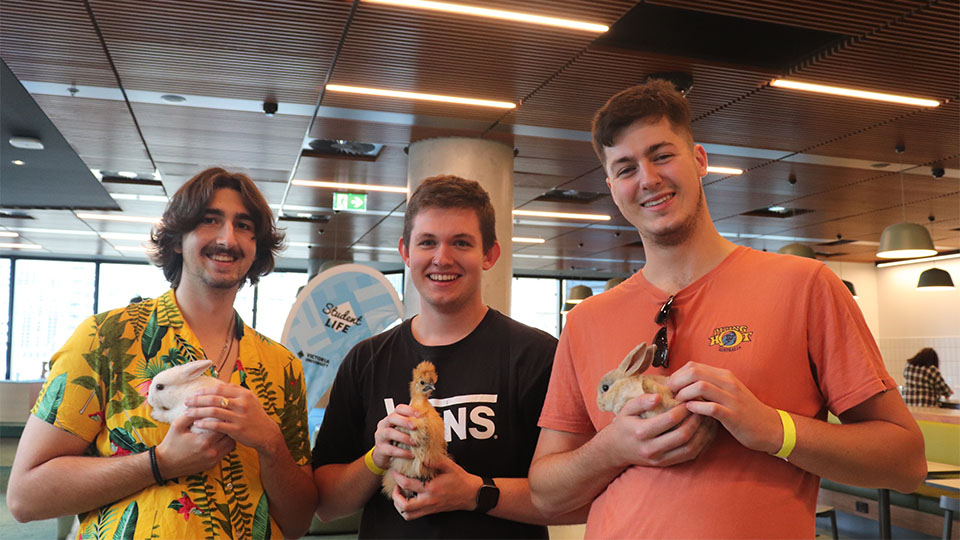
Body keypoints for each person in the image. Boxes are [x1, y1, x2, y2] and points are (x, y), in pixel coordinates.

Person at [528, 80, 927, 538]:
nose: (648, 179)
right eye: (625, 168)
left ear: (699, 159)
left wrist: (774, 429)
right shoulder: (585, 321)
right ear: (613, 188)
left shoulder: (804, 287)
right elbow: (545, 492)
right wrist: (614, 449)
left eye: (661, 155)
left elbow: (906, 462)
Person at [7, 168, 317, 539]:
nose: (227, 238)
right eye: (209, 220)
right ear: (176, 239)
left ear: (257, 247)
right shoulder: (107, 339)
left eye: (245, 225)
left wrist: (270, 442)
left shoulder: (281, 366)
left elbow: (298, 524)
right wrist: (160, 463)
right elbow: (25, 498)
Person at [312, 175, 584, 538]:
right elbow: (327, 505)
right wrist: (376, 459)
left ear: (490, 254)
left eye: (461, 242)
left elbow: (576, 499)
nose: (442, 258)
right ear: (405, 252)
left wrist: (476, 494)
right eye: (427, 242)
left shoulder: (536, 356)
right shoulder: (366, 360)